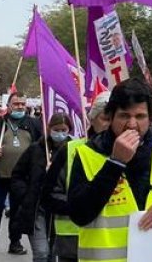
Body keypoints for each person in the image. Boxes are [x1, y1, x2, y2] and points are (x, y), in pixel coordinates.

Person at [66, 79, 152, 262]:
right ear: (111, 117)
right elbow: (79, 214)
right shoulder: (87, 153)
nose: (132, 125)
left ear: (150, 118)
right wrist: (115, 163)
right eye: (124, 116)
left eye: (140, 116)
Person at [43, 94, 110, 262]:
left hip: (115, 245)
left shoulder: (133, 154)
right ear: (92, 120)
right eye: (105, 118)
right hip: (73, 242)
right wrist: (82, 206)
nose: (110, 124)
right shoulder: (71, 150)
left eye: (116, 118)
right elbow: (49, 196)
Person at [0, 92, 41, 256]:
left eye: (22, 104)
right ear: (9, 106)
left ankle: (15, 241)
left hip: (22, 178)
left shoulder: (34, 124)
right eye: (16, 104)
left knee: (17, 210)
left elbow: (43, 145)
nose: (20, 107)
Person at [10, 113, 73, 262]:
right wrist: (26, 195)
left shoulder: (74, 150)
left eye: (64, 130)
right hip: (37, 208)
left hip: (59, 209)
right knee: (41, 253)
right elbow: (17, 175)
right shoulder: (36, 149)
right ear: (49, 128)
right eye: (57, 130)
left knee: (53, 254)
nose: (60, 133)